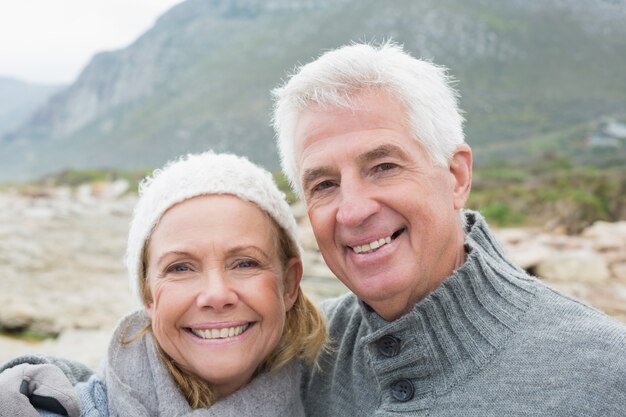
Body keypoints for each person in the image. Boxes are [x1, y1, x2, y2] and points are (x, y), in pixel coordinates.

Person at [271, 41, 626, 416]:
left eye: (385, 167)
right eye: (324, 185)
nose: (353, 211)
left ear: (457, 177)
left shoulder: (603, 374)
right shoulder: (305, 355)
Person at [0, 151, 326, 416]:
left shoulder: (339, 397)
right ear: (147, 293)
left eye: (245, 263)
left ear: (289, 284)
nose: (216, 295)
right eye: (180, 268)